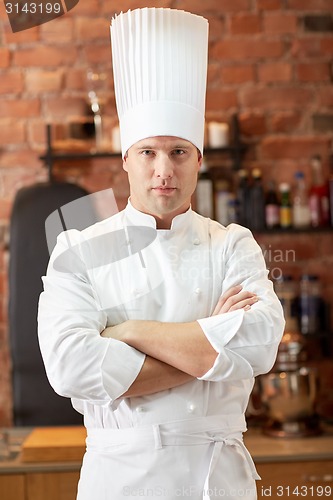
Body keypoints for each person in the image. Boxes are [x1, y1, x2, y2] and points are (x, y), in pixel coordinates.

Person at [38, 7, 285, 500]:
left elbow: (258, 345)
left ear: (199, 160)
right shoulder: (78, 248)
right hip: (120, 482)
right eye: (148, 152)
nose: (163, 170)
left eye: (178, 152)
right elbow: (70, 366)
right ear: (126, 158)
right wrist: (209, 348)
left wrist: (128, 333)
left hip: (216, 481)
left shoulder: (232, 243)